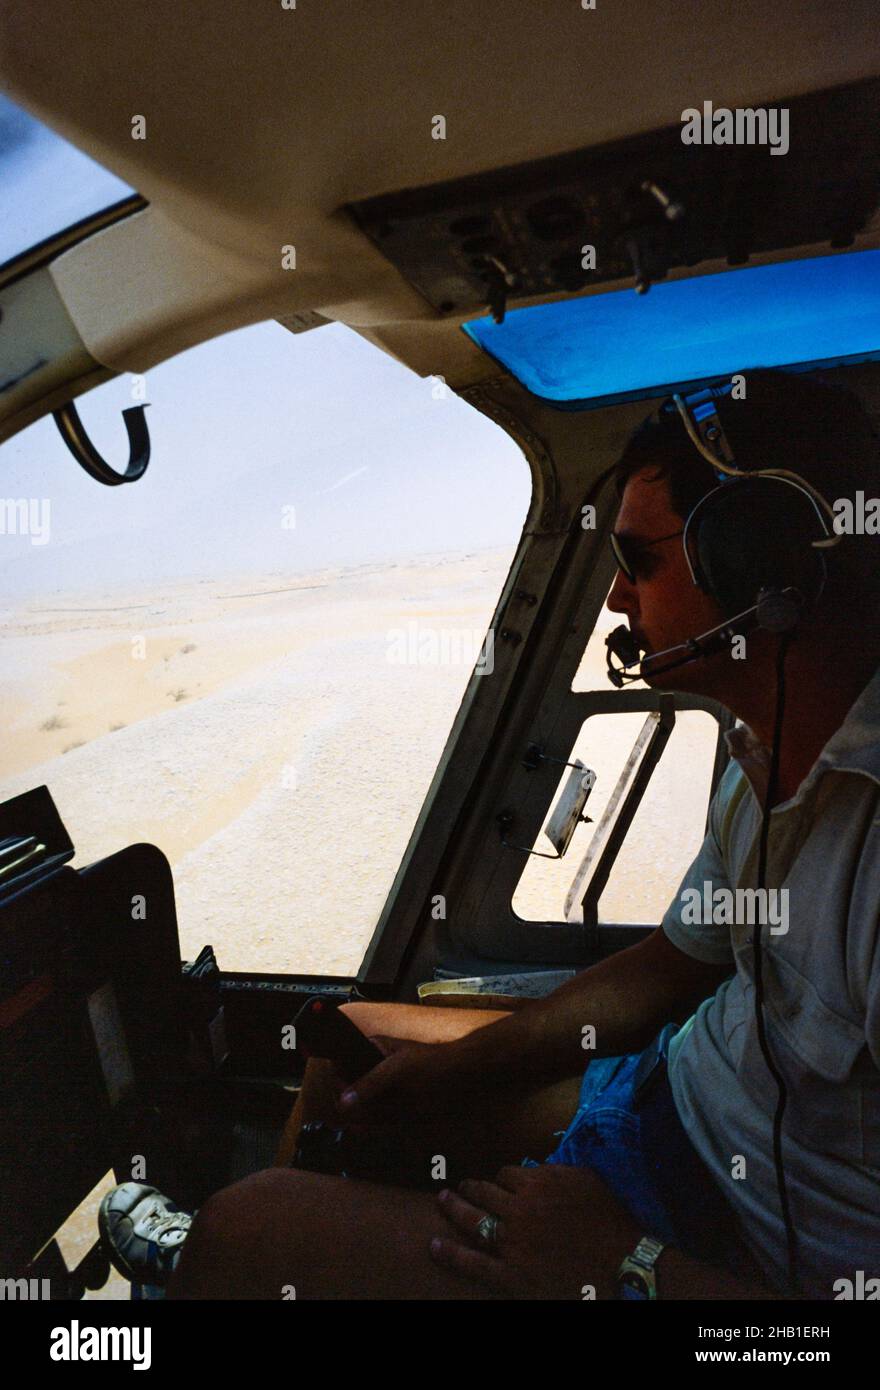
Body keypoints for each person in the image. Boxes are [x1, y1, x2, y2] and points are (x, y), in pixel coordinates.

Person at [100, 369, 880, 1299]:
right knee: (358, 1039)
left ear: (761, 570)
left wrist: (625, 1267)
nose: (618, 604)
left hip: (724, 1245)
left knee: (246, 1227)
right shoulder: (766, 759)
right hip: (668, 1098)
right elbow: (662, 973)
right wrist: (455, 1073)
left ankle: (206, 1260)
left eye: (638, 563)